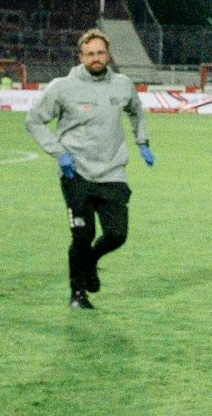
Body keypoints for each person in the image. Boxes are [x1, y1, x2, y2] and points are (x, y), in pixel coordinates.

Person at [26, 29, 153, 309]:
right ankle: (77, 293)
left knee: (117, 235)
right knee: (82, 236)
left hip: (112, 172)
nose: (96, 58)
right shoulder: (62, 87)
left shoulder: (122, 84)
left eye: (100, 53)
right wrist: (58, 152)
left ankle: (92, 261)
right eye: (90, 54)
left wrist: (142, 141)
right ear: (81, 57)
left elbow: (136, 110)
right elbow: (33, 121)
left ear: (108, 55)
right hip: (77, 173)